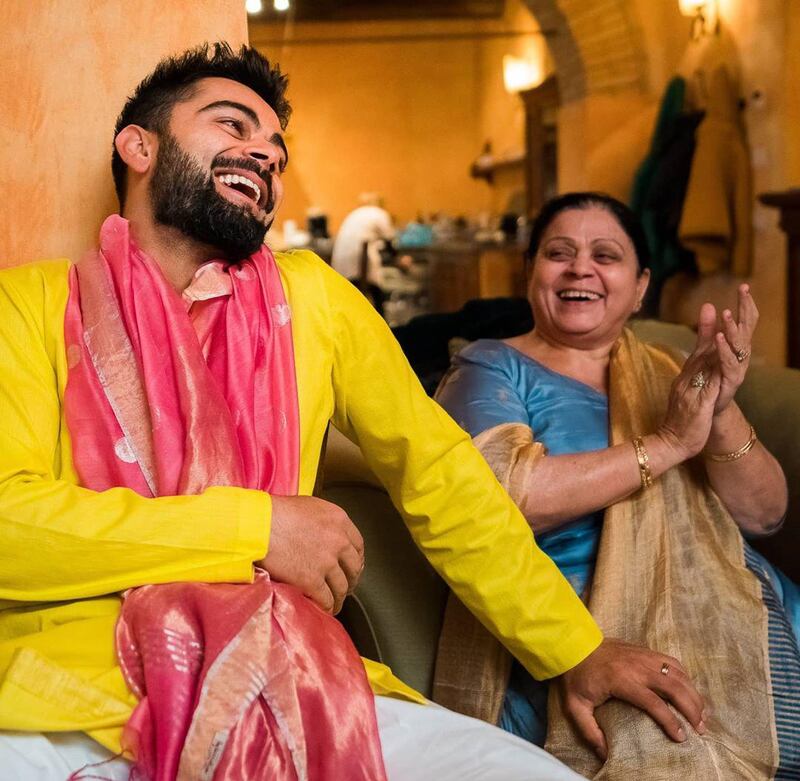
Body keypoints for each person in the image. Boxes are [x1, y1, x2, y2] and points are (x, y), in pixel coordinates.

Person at [0, 48, 702, 779]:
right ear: (138, 146)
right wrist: (258, 528)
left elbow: (443, 478)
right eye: (231, 124)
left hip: (298, 680)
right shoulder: (28, 306)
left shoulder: (313, 300)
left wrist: (576, 649)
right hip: (67, 699)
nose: (264, 157)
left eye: (276, 151)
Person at [436, 191, 800, 777]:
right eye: (559, 252)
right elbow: (498, 501)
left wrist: (722, 406)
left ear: (639, 287)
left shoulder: (667, 370)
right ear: (531, 271)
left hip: (730, 606)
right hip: (580, 633)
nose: (581, 268)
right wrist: (668, 445)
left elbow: (765, 516)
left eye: (606, 255)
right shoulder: (489, 367)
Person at [331, 194, 403, 313]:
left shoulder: (357, 213)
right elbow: (390, 241)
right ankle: (381, 320)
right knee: (374, 289)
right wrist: (399, 259)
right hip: (360, 254)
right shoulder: (380, 213)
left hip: (343, 253)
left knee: (351, 290)